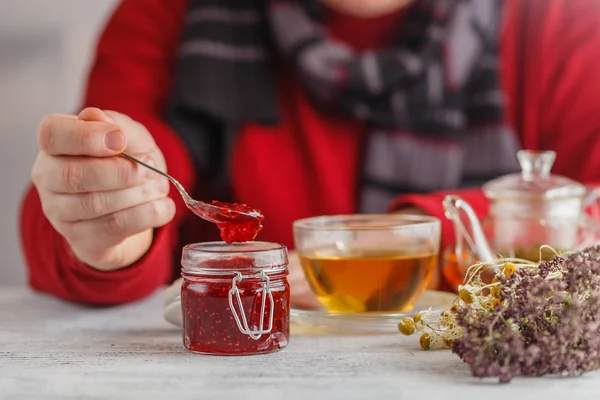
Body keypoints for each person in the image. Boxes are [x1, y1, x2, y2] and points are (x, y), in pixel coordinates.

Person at [20, 0, 600, 306]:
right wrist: (107, 226)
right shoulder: (170, 15)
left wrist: (411, 236)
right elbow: (67, 222)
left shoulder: (561, 23)